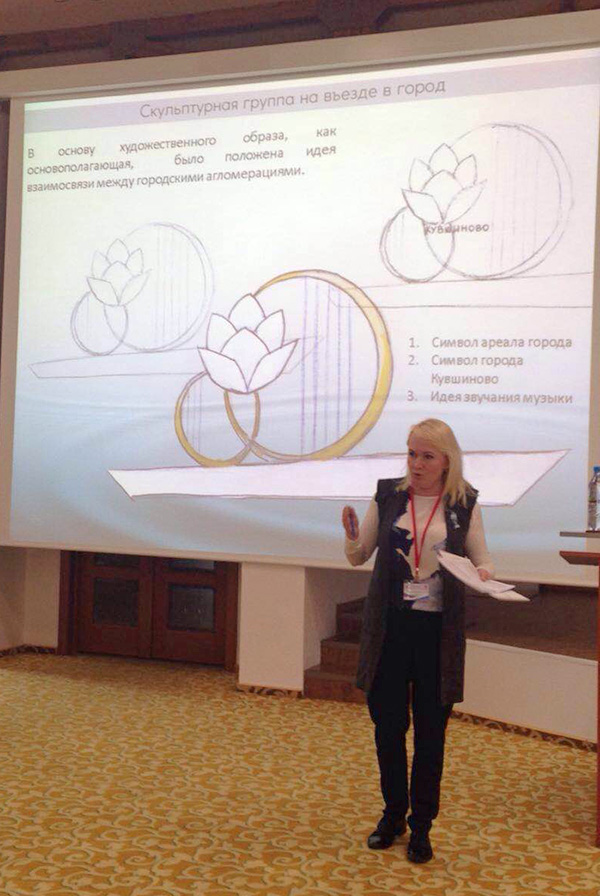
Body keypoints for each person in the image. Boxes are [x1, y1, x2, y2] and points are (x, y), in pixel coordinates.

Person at [342, 418, 493, 864]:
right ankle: (393, 816)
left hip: (436, 636)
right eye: (411, 453)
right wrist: (351, 536)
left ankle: (422, 826)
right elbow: (358, 556)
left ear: (447, 460)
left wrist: (484, 574)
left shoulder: (464, 502)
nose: (417, 463)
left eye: (427, 456)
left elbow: (482, 557)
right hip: (390, 630)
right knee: (388, 729)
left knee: (430, 734)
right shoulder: (388, 495)